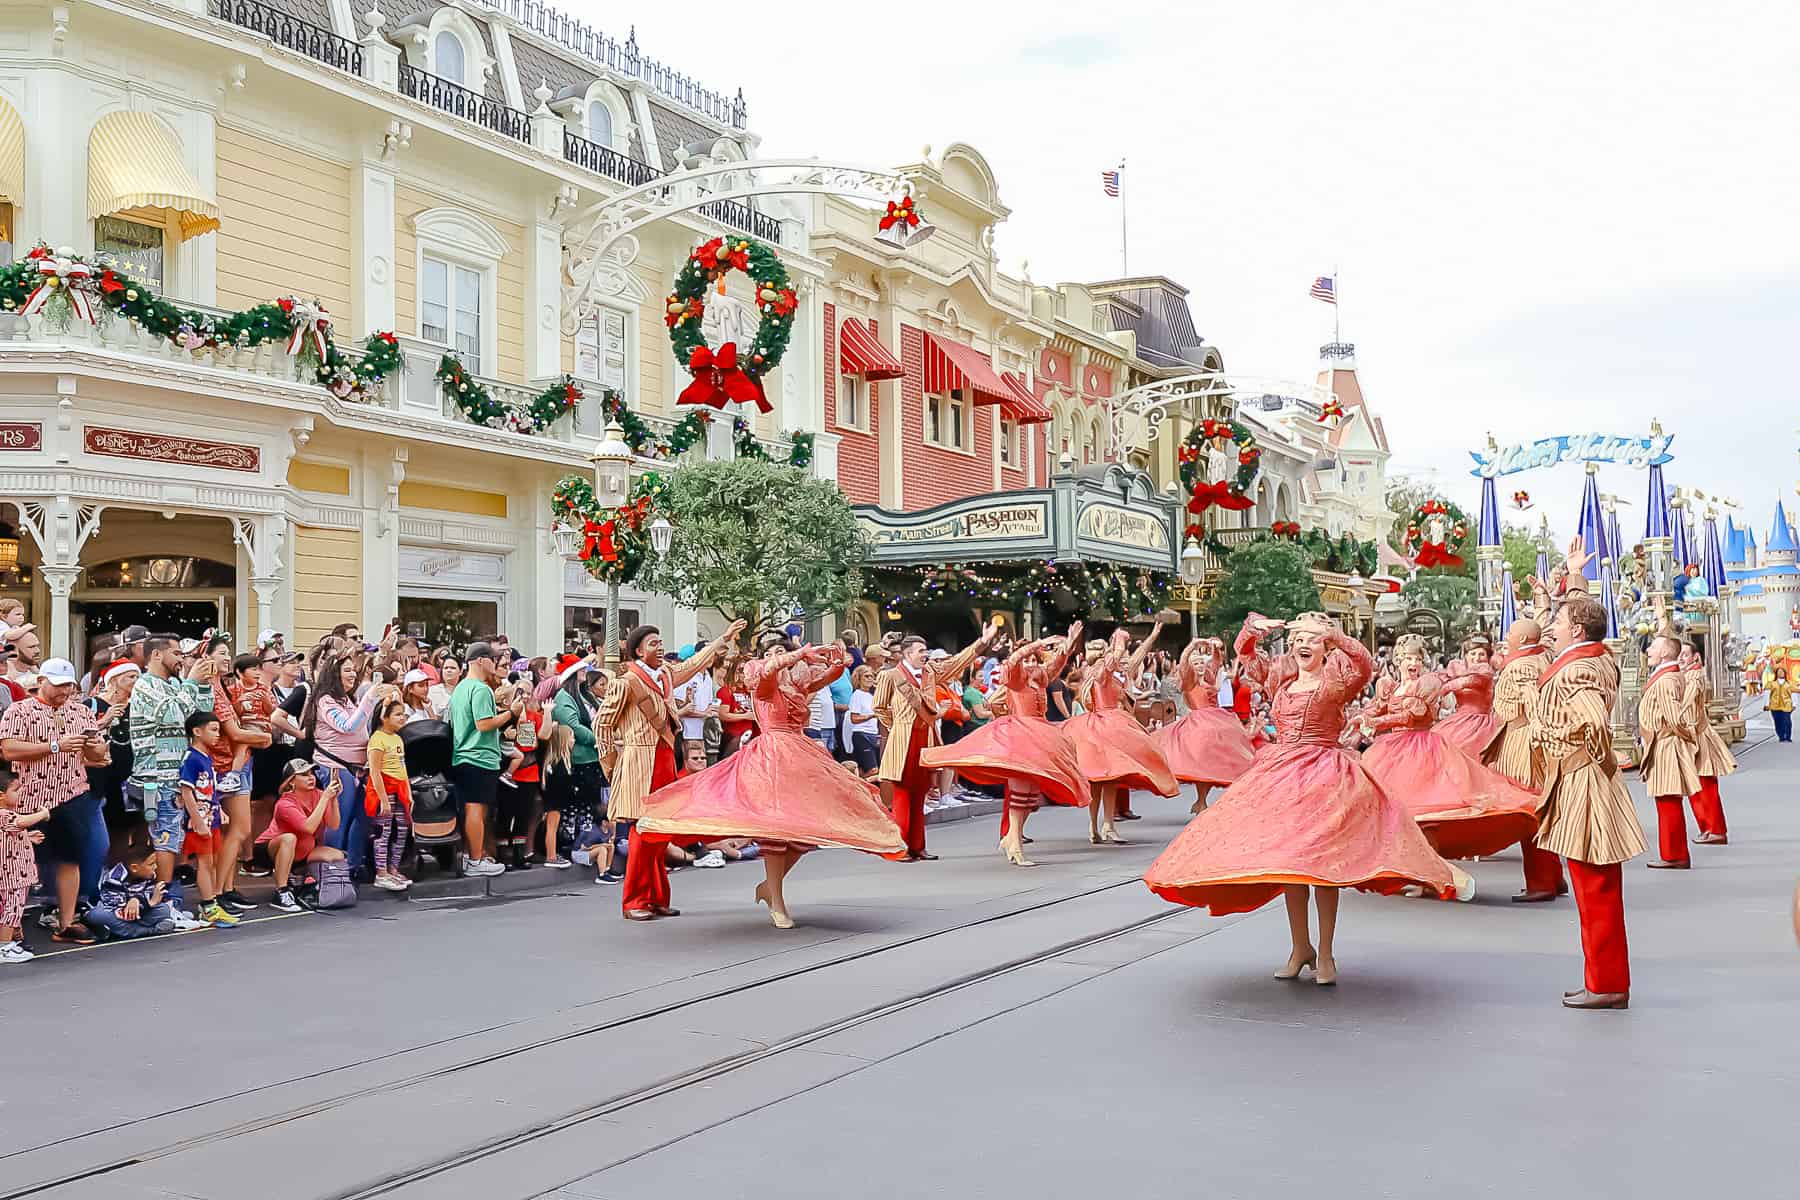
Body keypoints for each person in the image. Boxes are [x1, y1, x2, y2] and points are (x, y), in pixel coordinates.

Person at [1146, 613, 1456, 985]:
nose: (1303, 644)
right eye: (1298, 639)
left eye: (1312, 638)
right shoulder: (1281, 679)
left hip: (1325, 775)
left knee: (1324, 868)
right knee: (1291, 865)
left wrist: (1337, 635)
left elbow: (1364, 665)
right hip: (1283, 775)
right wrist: (1250, 631)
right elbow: (1247, 657)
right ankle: (1300, 948)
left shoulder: (1336, 679)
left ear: (1325, 646)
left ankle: (1325, 954)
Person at [638, 634, 902, 928]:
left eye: (783, 650)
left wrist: (837, 659)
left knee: (806, 833)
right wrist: (798, 652)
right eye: (775, 651)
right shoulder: (762, 682)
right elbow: (768, 670)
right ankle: (776, 900)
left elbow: (830, 675)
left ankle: (769, 887)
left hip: (801, 756)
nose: (782, 655)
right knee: (776, 832)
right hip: (770, 759)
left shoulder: (796, 683)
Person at [1532, 576, 1647, 1010]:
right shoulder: (1591, 656)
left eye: (1559, 620)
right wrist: (1569, 582)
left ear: (1577, 629)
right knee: (1593, 887)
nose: (1553, 626)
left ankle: (1606, 984)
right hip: (1585, 776)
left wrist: (1580, 751)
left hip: (1583, 780)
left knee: (1593, 886)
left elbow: (1594, 721)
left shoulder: (1578, 667)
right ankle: (1603, 980)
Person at [1358, 634, 1539, 899]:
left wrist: (1377, 723)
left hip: (1420, 749)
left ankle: (1428, 877)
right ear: (1398, 660)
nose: (1413, 663)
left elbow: (1413, 715)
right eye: (1408, 657)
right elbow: (1375, 708)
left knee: (1425, 818)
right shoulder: (1389, 685)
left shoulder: (1429, 683)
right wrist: (1361, 719)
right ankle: (1407, 871)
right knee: (1397, 816)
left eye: (1417, 658)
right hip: (1391, 752)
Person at [597, 620, 744, 920]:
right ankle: (634, 901)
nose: (660, 646)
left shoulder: (664, 675)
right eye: (653, 643)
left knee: (660, 831)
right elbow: (602, 724)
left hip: (665, 758)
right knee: (642, 831)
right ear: (638, 651)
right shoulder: (626, 682)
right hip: (639, 761)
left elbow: (693, 664)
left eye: (660, 641)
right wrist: (611, 764)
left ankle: (656, 897)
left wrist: (723, 639)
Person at [921, 623, 1088, 867]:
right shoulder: (1016, 678)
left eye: (1034, 660)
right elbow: (1011, 663)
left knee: (1031, 794)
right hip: (1021, 736)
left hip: (1039, 736)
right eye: (1027, 660)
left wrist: (1068, 643)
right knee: (1021, 792)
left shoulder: (1039, 677)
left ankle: (1012, 838)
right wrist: (1037, 644)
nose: (1031, 664)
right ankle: (1015, 845)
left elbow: (1056, 665)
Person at [0, 657, 113, 942]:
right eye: (58, 686)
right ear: (41, 682)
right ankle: (11, 924)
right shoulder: (19, 711)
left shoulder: (81, 712)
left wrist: (96, 748)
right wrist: (54, 746)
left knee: (69, 858)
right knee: (16, 863)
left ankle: (66, 921)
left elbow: (95, 757)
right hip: (27, 797)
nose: (64, 691)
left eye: (68, 686)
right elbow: (9, 750)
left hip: (71, 794)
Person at [872, 623, 999, 862]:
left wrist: (982, 642)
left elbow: (958, 662)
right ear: (908, 653)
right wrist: (898, 727)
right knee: (901, 795)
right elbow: (879, 707)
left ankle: (918, 846)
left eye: (926, 651)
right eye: (921, 651)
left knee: (921, 793)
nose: (925, 654)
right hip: (904, 739)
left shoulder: (931, 672)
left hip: (927, 737)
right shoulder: (889, 675)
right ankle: (899, 848)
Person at [1062, 624, 1179, 844]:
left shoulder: (1114, 674)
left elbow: (1135, 658)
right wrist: (1119, 641)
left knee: (1107, 780)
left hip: (1108, 726)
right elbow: (1110, 663)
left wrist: (1152, 636)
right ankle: (1100, 825)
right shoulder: (1099, 672)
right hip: (1104, 727)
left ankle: (1103, 825)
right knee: (1101, 780)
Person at [129, 636, 218, 919]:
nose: (182, 659)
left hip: (178, 776)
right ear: (156, 654)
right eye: (177, 653)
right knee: (165, 840)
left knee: (175, 839)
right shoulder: (144, 685)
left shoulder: (175, 685)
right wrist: (191, 683)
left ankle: (172, 900)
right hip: (156, 777)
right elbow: (172, 714)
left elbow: (201, 717)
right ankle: (164, 902)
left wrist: (203, 684)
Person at [1486, 618, 1565, 902]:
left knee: (1527, 810)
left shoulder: (1519, 667)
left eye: (1509, 632)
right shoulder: (1542, 658)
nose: (1506, 635)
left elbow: (1521, 706)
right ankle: (1553, 875)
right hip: (1532, 738)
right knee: (1540, 808)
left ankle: (1540, 881)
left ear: (1520, 639)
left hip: (1523, 739)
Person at [1156, 636, 1258, 815]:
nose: (1201, 665)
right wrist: (1193, 645)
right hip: (1200, 723)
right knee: (1202, 763)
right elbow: (1184, 662)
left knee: (1213, 761)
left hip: (1218, 720)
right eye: (1196, 663)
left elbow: (1217, 663)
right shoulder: (1189, 680)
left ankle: (1202, 800)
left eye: (1202, 662)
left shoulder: (1209, 677)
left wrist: (1215, 648)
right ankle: (1201, 800)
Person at [302, 654, 383, 876]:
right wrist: (370, 697)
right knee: (337, 821)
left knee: (361, 818)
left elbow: (362, 727)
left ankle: (353, 867)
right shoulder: (325, 701)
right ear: (334, 674)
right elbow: (348, 726)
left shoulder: (348, 700)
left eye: (353, 670)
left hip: (358, 769)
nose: (353, 674)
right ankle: (329, 871)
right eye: (347, 670)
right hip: (336, 768)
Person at [449, 641, 521, 878]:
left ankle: (473, 857)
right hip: (478, 757)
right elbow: (484, 724)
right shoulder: (480, 689)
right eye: (493, 658)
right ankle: (476, 859)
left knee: (472, 809)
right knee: (476, 811)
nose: (497, 664)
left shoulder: (460, 688)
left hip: (464, 755)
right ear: (481, 660)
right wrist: (511, 713)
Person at [212, 652, 274, 913]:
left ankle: (226, 887)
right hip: (223, 764)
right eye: (221, 653)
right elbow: (234, 731)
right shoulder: (212, 690)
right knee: (234, 830)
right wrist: (260, 738)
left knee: (236, 831)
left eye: (228, 652)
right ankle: (217, 892)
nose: (226, 657)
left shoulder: (225, 687)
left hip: (241, 759)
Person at [1640, 617, 1701, 871]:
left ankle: (1674, 854)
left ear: (1665, 652)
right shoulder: (1667, 676)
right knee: (1667, 802)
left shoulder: (1666, 680)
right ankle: (1673, 852)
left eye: (1653, 647)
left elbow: (1675, 717)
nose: (1648, 651)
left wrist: (1685, 737)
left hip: (1666, 745)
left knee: (1668, 802)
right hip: (1665, 742)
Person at [256, 759, 346, 913]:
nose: (311, 777)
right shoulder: (284, 803)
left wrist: (333, 799)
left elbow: (333, 824)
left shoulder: (318, 794)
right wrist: (325, 798)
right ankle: (281, 892)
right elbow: (308, 828)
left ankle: (303, 878)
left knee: (336, 855)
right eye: (304, 775)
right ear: (291, 782)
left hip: (304, 847)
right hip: (270, 848)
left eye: (311, 773)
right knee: (290, 838)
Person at [177, 712, 237, 926]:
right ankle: (208, 904)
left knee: (211, 861)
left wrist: (219, 809)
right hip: (199, 820)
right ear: (197, 731)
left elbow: (209, 790)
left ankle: (211, 904)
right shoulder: (191, 758)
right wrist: (198, 821)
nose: (217, 735)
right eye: (213, 730)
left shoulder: (206, 758)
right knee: (204, 862)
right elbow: (186, 792)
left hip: (211, 818)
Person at [546, 660, 602, 870]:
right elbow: (574, 728)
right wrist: (598, 737)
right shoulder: (564, 698)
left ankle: (587, 844)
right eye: (581, 668)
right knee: (574, 808)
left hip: (590, 758)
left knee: (588, 807)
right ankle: (571, 847)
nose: (585, 672)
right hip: (578, 758)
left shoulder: (583, 695)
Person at [1680, 642, 1734, 846]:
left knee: (1705, 786)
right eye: (1679, 654)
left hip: (1698, 736)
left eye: (1685, 654)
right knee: (1698, 787)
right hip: (1693, 735)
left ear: (1696, 657)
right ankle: (1709, 828)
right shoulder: (1687, 675)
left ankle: (1715, 829)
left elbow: (1686, 705)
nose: (1681, 658)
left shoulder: (1694, 677)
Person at [0, 765, 52, 963]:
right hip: (12, 875)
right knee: (11, 910)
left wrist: (26, 838)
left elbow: (8, 835)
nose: (21, 792)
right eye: (16, 789)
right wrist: (43, 814)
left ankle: (8, 941)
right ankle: (4, 947)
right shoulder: (5, 814)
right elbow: (20, 822)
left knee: (6, 909)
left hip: (9, 874)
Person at [366, 698, 414, 891]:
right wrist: (384, 800)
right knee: (383, 833)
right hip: (384, 789)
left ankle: (393, 868)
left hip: (400, 789)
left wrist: (408, 794)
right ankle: (381, 872)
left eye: (403, 714)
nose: (402, 718)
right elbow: (374, 772)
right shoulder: (377, 740)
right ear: (383, 717)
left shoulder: (397, 738)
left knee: (402, 831)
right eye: (397, 714)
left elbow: (403, 768)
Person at [83, 847, 178, 940]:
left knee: (163, 910)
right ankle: (150, 930)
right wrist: (147, 903)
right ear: (134, 868)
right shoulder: (114, 878)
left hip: (138, 912)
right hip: (116, 912)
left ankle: (119, 931)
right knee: (95, 915)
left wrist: (138, 900)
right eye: (151, 864)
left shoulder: (150, 874)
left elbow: (149, 896)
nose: (155, 867)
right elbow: (114, 906)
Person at [1437, 635, 1502, 757]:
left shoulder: (1485, 672)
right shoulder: (1456, 671)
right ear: (1466, 656)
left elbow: (1472, 681)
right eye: (1473, 654)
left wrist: (1444, 688)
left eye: (1481, 654)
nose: (1477, 658)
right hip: (1458, 721)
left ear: (1488, 657)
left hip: (1481, 724)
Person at [841, 665, 880, 777]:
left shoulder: (872, 696)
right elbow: (854, 718)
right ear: (859, 678)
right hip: (861, 735)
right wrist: (871, 716)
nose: (870, 679)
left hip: (873, 734)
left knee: (872, 770)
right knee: (873, 770)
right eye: (866, 676)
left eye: (872, 676)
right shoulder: (857, 695)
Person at [1768, 671, 1793, 742]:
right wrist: (1766, 704)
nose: (1781, 673)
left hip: (1786, 705)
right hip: (1774, 705)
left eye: (1782, 672)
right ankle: (1781, 736)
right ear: (1776, 673)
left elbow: (1793, 693)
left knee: (1787, 721)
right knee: (1777, 721)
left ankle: (1788, 736)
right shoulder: (1771, 683)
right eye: (1779, 672)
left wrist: (1794, 704)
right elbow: (1767, 694)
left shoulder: (1789, 683)